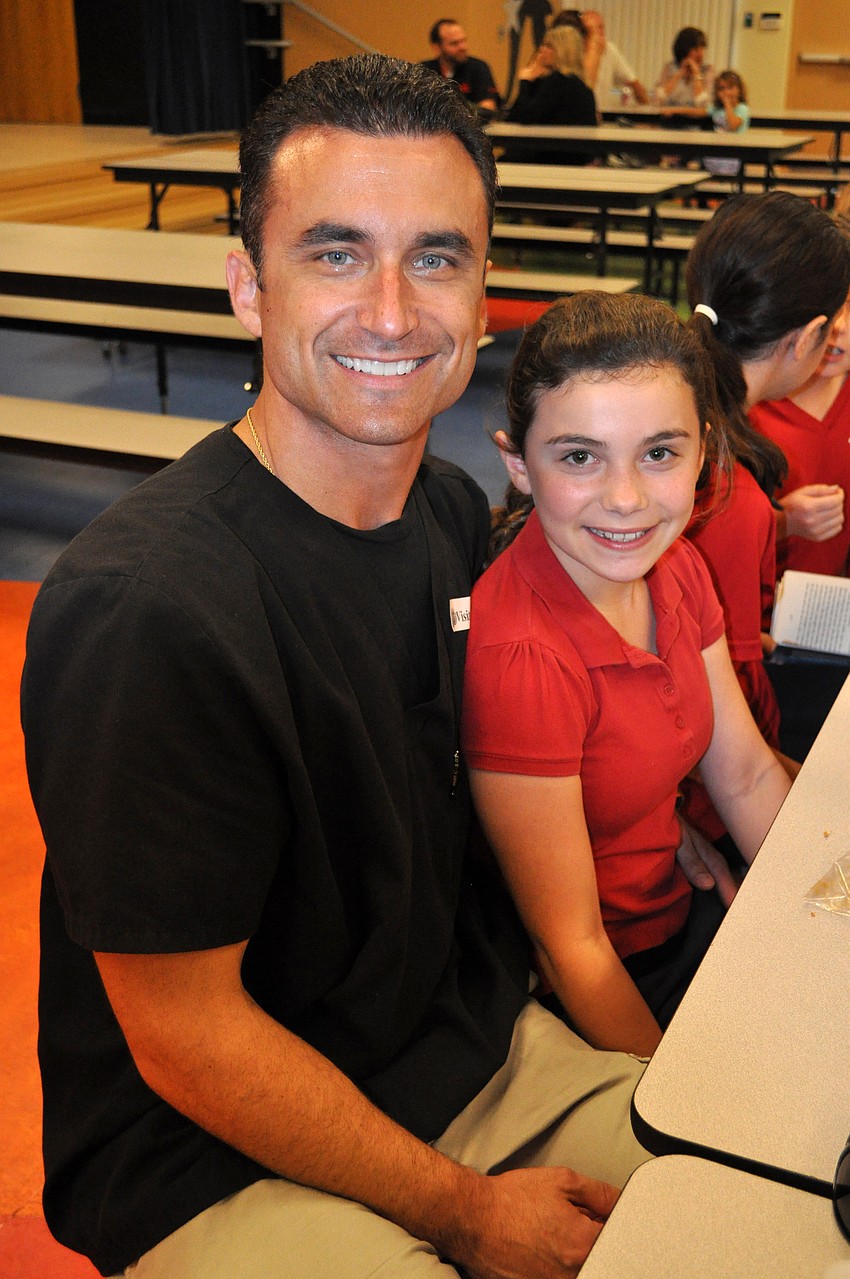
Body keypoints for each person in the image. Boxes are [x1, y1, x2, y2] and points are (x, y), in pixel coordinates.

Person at [23, 55, 651, 1279]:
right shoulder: (148, 607)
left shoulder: (454, 514)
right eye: (333, 252)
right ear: (248, 289)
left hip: (459, 1050)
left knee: (746, 1201)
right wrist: (465, 1212)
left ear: (483, 296)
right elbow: (187, 1041)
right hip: (207, 1152)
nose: (391, 311)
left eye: (435, 257)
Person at [462, 291, 791, 1056]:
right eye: (580, 456)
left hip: (679, 910)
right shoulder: (524, 657)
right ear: (518, 462)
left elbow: (741, 775)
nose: (627, 499)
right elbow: (569, 947)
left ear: (705, 448)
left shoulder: (674, 567)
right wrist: (662, 1113)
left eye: (660, 452)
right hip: (605, 983)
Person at [684, 190, 850, 769]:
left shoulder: (686, 423)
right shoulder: (734, 494)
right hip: (710, 776)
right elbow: (718, 718)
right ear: (807, 337)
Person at [750, 291, 850, 579]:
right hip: (758, 612)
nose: (839, 326)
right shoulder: (754, 402)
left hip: (833, 610)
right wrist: (783, 522)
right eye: (828, 309)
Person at [505, 24, 597, 162]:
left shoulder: (559, 82)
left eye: (549, 46)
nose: (541, 50)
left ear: (563, 51)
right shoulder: (580, 83)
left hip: (556, 156)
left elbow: (526, 118)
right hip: (572, 157)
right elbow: (514, 116)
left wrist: (525, 82)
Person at [573, 9, 649, 109]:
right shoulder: (573, 51)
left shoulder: (609, 49)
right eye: (590, 31)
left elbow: (634, 83)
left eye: (600, 29)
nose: (596, 34)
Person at [422, 18, 500, 114]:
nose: (463, 47)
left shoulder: (478, 67)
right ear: (437, 47)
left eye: (463, 41)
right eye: (454, 43)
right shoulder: (425, 70)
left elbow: (488, 107)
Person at [654, 26, 714, 122]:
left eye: (702, 49)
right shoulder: (669, 68)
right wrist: (680, 74)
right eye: (696, 49)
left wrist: (696, 75)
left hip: (696, 125)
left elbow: (704, 106)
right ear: (684, 49)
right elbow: (658, 100)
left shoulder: (707, 70)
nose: (701, 54)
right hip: (668, 123)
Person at [703, 70, 750, 178]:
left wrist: (727, 104)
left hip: (734, 152)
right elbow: (698, 112)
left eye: (730, 88)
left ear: (739, 90)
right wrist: (674, 110)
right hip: (716, 150)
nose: (726, 92)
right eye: (722, 89)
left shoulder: (742, 109)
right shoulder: (716, 108)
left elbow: (733, 125)